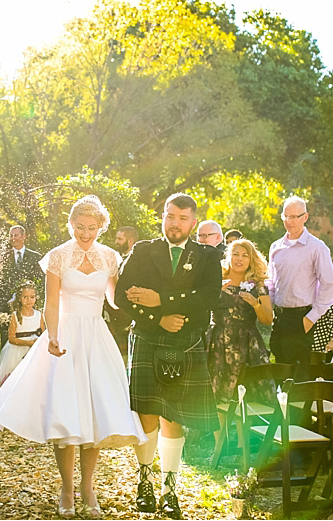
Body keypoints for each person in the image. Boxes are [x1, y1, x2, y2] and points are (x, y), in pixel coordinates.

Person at [0, 194, 147, 518]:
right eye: (80, 227)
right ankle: (67, 487)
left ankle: (89, 486)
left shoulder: (110, 257)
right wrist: (52, 336)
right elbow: (52, 302)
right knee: (67, 412)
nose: (85, 234)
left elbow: (113, 301)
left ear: (101, 227)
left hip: (97, 338)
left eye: (92, 228)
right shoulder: (57, 257)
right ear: (70, 225)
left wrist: (138, 301)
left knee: (94, 410)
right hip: (66, 335)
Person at [117, 194, 221, 518]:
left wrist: (159, 299)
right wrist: (158, 317)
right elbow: (123, 296)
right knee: (147, 414)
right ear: (163, 216)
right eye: (169, 216)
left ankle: (169, 487)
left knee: (173, 418)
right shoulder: (144, 250)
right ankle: (145, 480)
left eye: (182, 218)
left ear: (192, 222)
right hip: (149, 336)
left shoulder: (206, 256)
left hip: (185, 342)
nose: (174, 223)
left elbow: (208, 298)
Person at [208, 239, 271, 463]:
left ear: (251, 259)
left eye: (244, 255)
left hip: (246, 344)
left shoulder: (258, 284)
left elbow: (267, 319)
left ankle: (243, 446)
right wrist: (216, 290)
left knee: (244, 393)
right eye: (236, 253)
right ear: (229, 256)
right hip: (218, 342)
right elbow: (202, 307)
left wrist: (255, 303)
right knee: (217, 392)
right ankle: (220, 446)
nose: (239, 258)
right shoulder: (217, 278)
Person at [265, 195, 333, 366]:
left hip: (301, 319)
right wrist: (269, 306)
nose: (289, 221)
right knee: (279, 371)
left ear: (305, 217)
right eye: (285, 216)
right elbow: (271, 282)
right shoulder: (276, 247)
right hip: (280, 319)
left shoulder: (317, 247)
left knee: (299, 377)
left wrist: (311, 317)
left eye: (294, 217)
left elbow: (330, 286)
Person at [0, 225, 47, 314]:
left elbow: (41, 282)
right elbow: (0, 281)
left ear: (23, 236)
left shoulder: (35, 257)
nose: (13, 238)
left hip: (30, 307)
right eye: (11, 236)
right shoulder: (4, 257)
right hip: (7, 307)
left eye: (16, 235)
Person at [0, 282, 44, 386]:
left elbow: (43, 334)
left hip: (35, 350)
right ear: (19, 298)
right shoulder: (15, 316)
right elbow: (11, 339)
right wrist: (28, 343)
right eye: (25, 297)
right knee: (16, 377)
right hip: (17, 351)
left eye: (32, 297)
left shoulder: (39, 315)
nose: (29, 300)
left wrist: (36, 343)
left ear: (36, 298)